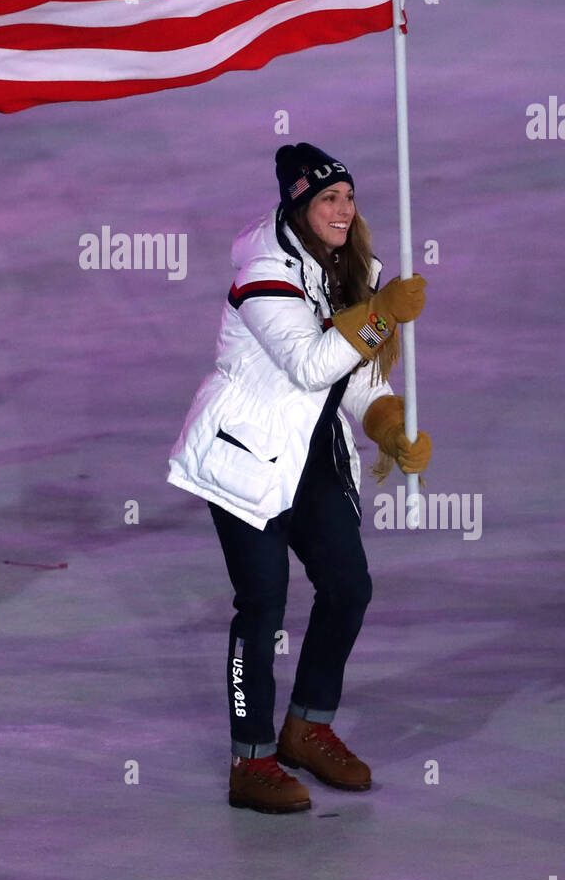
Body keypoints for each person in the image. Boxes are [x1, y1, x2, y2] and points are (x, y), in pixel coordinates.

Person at [167, 143, 431, 814]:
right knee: (262, 605)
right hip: (246, 460)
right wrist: (381, 315)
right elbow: (312, 364)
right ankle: (249, 762)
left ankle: (306, 726)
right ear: (298, 206)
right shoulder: (262, 272)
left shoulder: (350, 268)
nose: (343, 210)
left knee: (348, 588)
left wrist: (387, 425)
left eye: (347, 196)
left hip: (314, 458)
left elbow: (355, 377)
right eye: (327, 200)